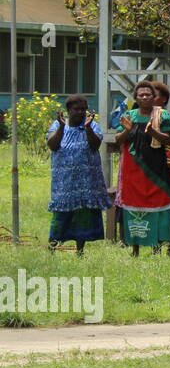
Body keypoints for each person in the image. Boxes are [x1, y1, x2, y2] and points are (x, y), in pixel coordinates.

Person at [114, 81, 170, 256]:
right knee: (135, 209)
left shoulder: (162, 115)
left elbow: (167, 139)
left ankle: (163, 247)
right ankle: (135, 248)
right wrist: (127, 130)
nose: (144, 97)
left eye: (148, 95)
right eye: (141, 95)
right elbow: (118, 140)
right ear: (136, 97)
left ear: (154, 97)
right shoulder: (129, 115)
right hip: (133, 171)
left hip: (157, 170)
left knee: (162, 208)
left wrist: (153, 132)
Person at [46, 94, 111, 254]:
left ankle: (80, 250)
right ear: (68, 110)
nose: (80, 112)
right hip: (64, 183)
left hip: (86, 183)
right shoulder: (57, 125)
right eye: (76, 109)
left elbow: (95, 145)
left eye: (83, 109)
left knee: (83, 216)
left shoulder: (93, 126)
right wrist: (62, 126)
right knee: (61, 216)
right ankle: (52, 247)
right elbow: (53, 146)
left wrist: (88, 127)